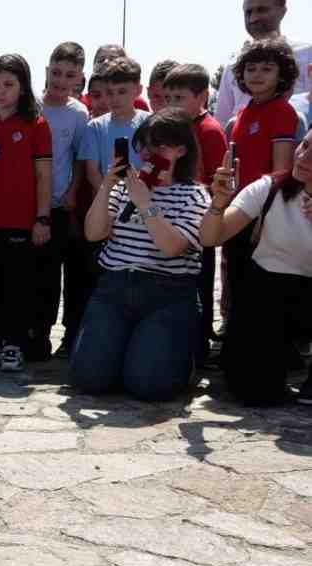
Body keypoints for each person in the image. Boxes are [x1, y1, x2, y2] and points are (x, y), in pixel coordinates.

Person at [71, 109, 209, 402]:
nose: (148, 153)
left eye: (159, 145)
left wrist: (146, 204)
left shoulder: (196, 195)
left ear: (181, 150)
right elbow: (93, 233)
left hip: (167, 294)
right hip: (114, 289)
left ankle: (179, 358)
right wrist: (108, 185)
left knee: (149, 386)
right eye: (144, 145)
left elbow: (171, 247)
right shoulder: (126, 187)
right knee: (88, 379)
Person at [203, 131, 312, 406]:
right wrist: (218, 203)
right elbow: (211, 237)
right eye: (305, 145)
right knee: (253, 391)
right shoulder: (269, 187)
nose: (304, 157)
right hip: (268, 291)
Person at [0, 54, 52, 373]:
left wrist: (42, 218)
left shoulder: (37, 124)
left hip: (21, 221)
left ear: (23, 87)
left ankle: (14, 343)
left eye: (9, 84)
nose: (1, 91)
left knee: (17, 287)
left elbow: (43, 175)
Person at [222, 38, 299, 335]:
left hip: (264, 214)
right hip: (238, 210)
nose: (257, 75)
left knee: (262, 291)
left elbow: (282, 171)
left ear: (282, 74)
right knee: (236, 279)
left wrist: (264, 218)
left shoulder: (283, 111)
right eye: (251, 68)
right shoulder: (241, 115)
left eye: (267, 68)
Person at [164, 63, 229, 360]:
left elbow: (217, 183)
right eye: (168, 98)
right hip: (176, 219)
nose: (172, 104)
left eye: (180, 98)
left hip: (199, 222)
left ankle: (199, 347)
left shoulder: (209, 130)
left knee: (200, 286)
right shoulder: (175, 129)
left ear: (202, 96)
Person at [35, 42, 90, 361]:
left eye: (69, 75)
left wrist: (72, 191)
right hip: (34, 204)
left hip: (62, 205)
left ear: (79, 79)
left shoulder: (78, 113)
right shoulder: (33, 105)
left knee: (70, 274)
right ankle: (38, 333)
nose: (61, 80)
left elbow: (80, 157)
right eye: (56, 72)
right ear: (47, 71)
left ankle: (71, 334)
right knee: (41, 275)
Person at [214, 0, 312, 129]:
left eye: (261, 10)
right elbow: (221, 124)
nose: (253, 18)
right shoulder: (232, 66)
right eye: (248, 12)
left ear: (282, 11)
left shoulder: (307, 55)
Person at [80, 57, 150, 195]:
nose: (115, 98)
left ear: (138, 90)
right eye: (109, 92)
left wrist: (141, 198)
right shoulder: (94, 127)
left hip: (145, 200)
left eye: (122, 91)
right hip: (107, 202)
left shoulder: (151, 123)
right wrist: (112, 201)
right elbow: (93, 173)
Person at [81, 45, 150, 112]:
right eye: (101, 60)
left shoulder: (138, 104)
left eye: (112, 59)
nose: (106, 62)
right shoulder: (82, 104)